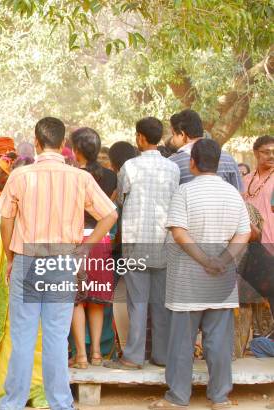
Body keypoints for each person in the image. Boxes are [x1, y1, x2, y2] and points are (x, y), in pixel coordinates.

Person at [0, 117, 117, 410]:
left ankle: (12, 403)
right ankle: (61, 404)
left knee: (23, 338)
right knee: (56, 337)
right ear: (63, 145)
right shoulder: (80, 178)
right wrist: (84, 249)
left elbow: (5, 219)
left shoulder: (20, 176)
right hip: (63, 262)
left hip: (27, 260)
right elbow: (110, 215)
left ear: (36, 143)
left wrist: (12, 257)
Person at [149, 139, 251, 410]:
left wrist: (205, 260)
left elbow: (180, 233)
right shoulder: (232, 194)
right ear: (217, 163)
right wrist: (222, 260)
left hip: (186, 282)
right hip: (222, 281)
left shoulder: (185, 191)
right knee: (218, 343)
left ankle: (178, 397)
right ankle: (220, 397)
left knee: (182, 342)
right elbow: (244, 233)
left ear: (192, 162)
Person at [0, 156, 49, 408]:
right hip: (36, 285)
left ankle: (10, 391)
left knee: (17, 337)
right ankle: (37, 390)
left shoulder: (0, 216)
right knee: (37, 336)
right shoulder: (41, 214)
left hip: (14, 284)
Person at [104, 117, 179, 370]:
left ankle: (134, 357)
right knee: (160, 302)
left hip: (136, 242)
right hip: (164, 242)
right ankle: (162, 355)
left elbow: (122, 201)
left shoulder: (130, 167)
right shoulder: (173, 169)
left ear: (140, 137)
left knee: (138, 302)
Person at [69, 127, 118, 368]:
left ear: (76, 150)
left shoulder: (72, 176)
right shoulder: (111, 177)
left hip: (78, 240)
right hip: (102, 239)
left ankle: (80, 356)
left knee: (77, 301)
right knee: (97, 300)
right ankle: (97, 353)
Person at [168, 109, 243, 190]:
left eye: (173, 134)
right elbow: (239, 193)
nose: (172, 139)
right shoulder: (228, 159)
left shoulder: (172, 163)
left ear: (182, 134)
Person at [243, 135, 274, 246]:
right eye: (266, 152)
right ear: (256, 153)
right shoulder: (246, 179)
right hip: (248, 241)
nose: (271, 156)